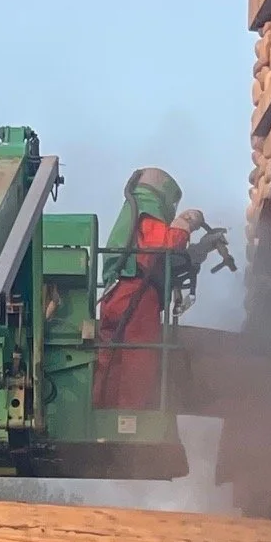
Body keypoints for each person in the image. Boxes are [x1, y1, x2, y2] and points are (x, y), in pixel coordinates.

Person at [93, 167, 209, 410]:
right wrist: (187, 221)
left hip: (116, 293)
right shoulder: (147, 210)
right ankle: (131, 415)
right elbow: (165, 243)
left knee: (111, 357)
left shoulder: (132, 215)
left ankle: (104, 411)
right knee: (140, 356)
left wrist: (196, 253)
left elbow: (161, 259)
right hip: (137, 294)